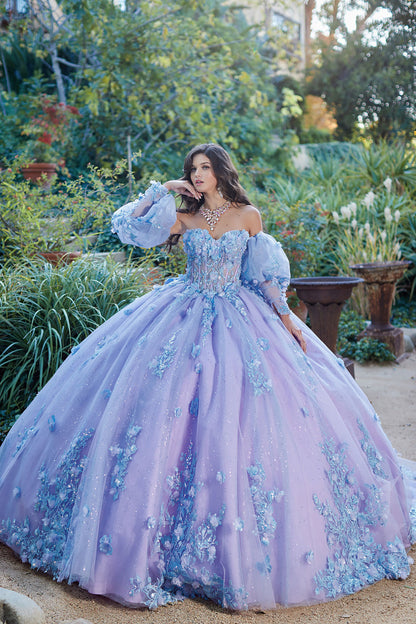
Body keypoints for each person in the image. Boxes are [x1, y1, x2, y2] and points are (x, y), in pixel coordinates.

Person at [0, 143, 414, 611]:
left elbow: (267, 281)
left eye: (204, 168)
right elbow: (130, 227)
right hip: (180, 316)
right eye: (192, 170)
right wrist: (163, 189)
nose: (197, 176)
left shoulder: (248, 216)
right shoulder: (183, 217)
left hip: (242, 323)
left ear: (220, 171)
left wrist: (289, 322)